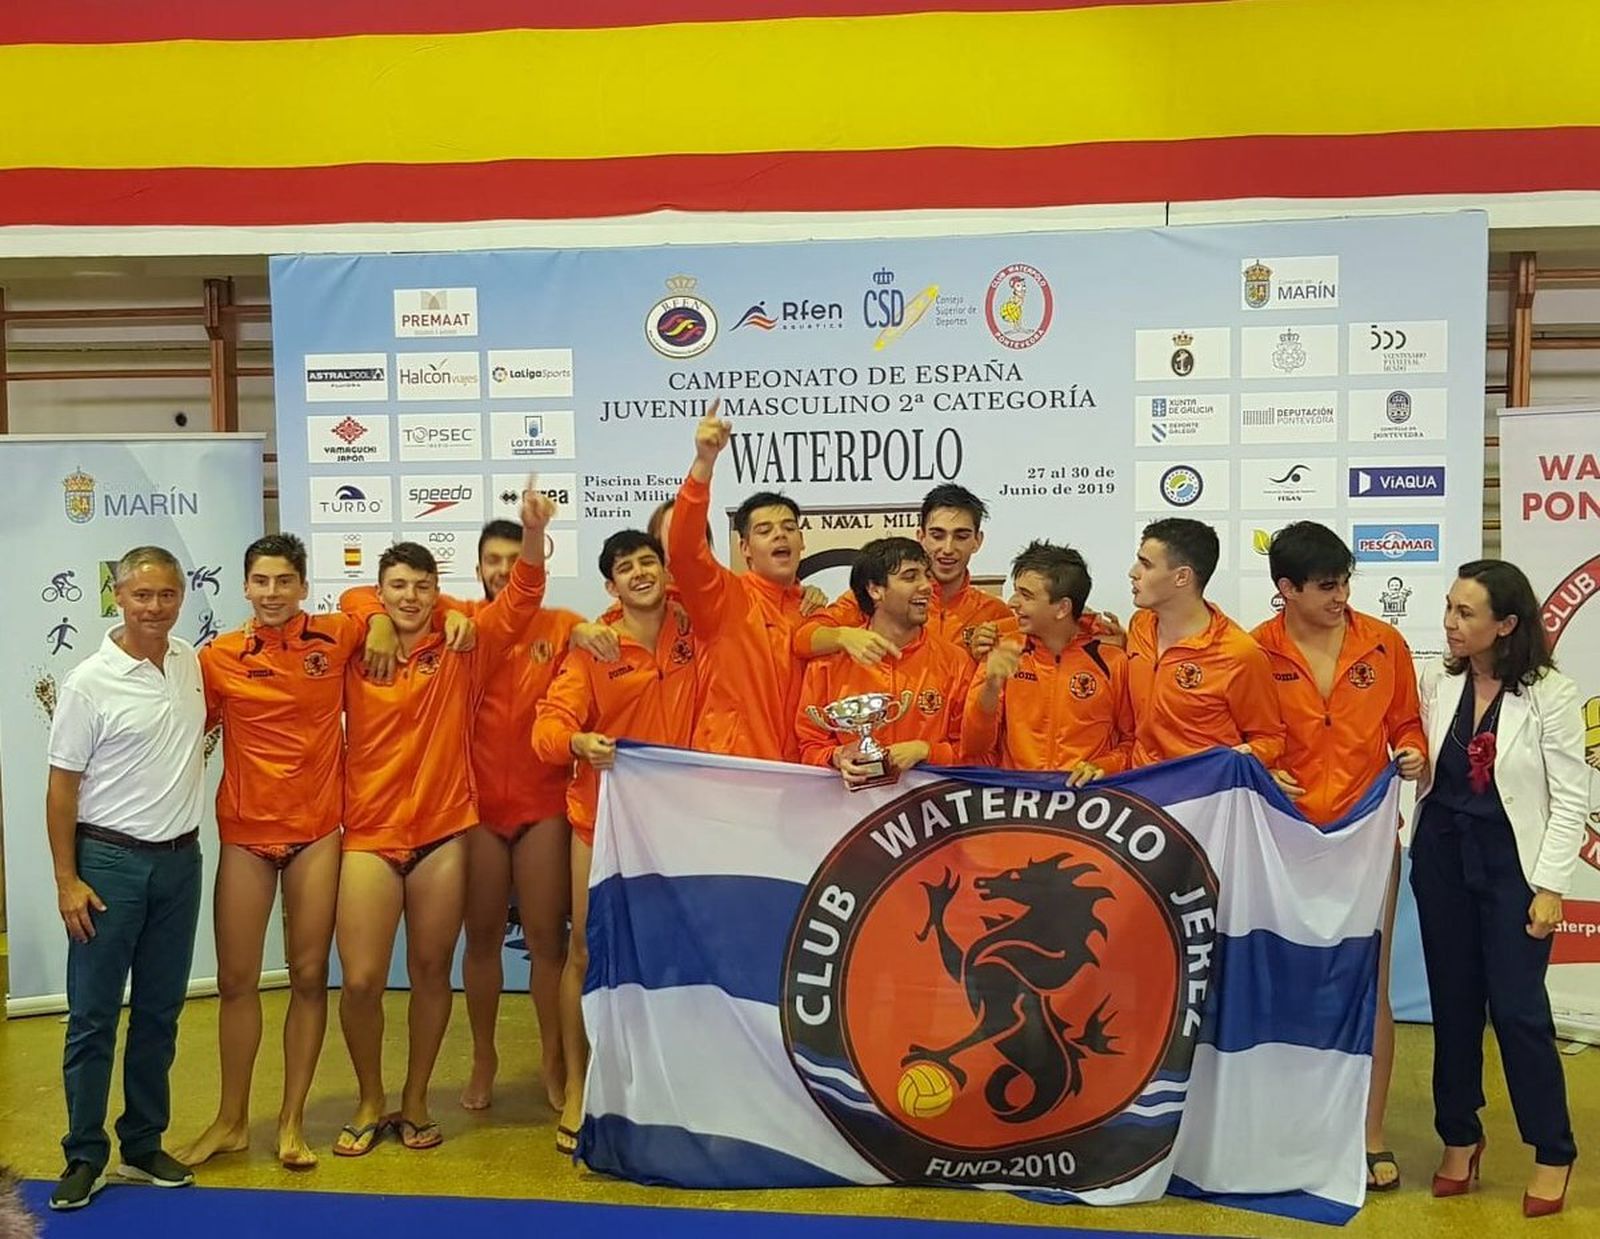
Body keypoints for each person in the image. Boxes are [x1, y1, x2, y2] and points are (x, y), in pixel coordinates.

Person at [333, 483, 554, 1157]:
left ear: (438, 591)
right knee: (365, 979)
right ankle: (371, 1097)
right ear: (381, 590)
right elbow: (341, 603)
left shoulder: (466, 643)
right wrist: (368, 613)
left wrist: (534, 531)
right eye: (395, 587)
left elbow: (520, 598)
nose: (408, 597)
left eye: (421, 585)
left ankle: (417, 1097)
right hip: (369, 834)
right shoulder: (352, 636)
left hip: (442, 832)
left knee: (433, 972)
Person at [175, 534, 406, 1170]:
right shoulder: (216, 657)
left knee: (309, 979)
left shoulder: (335, 636)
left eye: (284, 581)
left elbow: (370, 598)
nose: (273, 593)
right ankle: (230, 1121)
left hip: (315, 834)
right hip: (246, 834)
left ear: (303, 586)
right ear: (244, 587)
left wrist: (381, 620)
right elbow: (187, 728)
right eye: (261, 582)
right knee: (235, 982)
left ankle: (291, 1121)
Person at [1250, 521, 1429, 1191]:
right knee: (1281, 981)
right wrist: (1264, 766)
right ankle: (1285, 1125)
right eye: (1326, 585)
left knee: (1367, 983)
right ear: (1286, 589)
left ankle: (1369, 1131)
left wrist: (1413, 753)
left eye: (1345, 580)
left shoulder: (1384, 642)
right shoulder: (1251, 650)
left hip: (1365, 838)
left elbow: (1406, 723)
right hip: (1280, 838)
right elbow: (1239, 739)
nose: (1341, 594)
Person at [1412, 560, 1586, 1216]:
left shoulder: (1551, 693)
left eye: (1466, 614)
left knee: (1517, 1011)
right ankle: (1460, 1133)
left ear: (1506, 625)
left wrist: (1549, 885)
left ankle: (1553, 1147)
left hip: (1514, 869)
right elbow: (1421, 755)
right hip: (1441, 860)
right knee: (1452, 1005)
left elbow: (1572, 796)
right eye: (1450, 608)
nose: (1451, 624)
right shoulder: (1437, 676)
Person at [46, 547, 206, 1210]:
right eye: (141, 595)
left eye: (166, 594)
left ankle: (142, 1142)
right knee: (92, 1018)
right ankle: (84, 1153)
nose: (154, 606)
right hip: (108, 864)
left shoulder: (190, 661)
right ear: (118, 596)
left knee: (160, 1014)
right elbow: (60, 788)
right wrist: (65, 879)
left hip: (181, 864)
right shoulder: (90, 680)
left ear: (180, 597)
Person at [533, 530, 699, 1156]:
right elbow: (548, 728)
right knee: (584, 951)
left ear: (665, 569)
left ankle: (665, 1083)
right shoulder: (593, 649)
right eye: (624, 568)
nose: (638, 574)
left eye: (647, 562)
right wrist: (578, 743)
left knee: (673, 957)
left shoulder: (697, 628)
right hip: (600, 822)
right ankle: (580, 1085)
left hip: (680, 821)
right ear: (610, 586)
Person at [458, 520, 582, 1113]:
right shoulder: (461, 624)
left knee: (545, 943)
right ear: (477, 568)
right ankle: (484, 1057)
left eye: (515, 558)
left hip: (543, 805)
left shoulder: (563, 627)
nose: (503, 570)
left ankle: (554, 1059)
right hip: (478, 808)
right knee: (481, 939)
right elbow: (363, 601)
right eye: (492, 560)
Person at [668, 407, 809, 760]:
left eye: (789, 528)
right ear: (745, 549)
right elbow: (685, 549)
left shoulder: (814, 610)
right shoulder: (725, 597)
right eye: (765, 531)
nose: (780, 535)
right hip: (729, 775)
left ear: (802, 542)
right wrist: (704, 463)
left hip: (798, 780)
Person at [796, 538, 970, 786]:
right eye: (911, 577)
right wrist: (836, 757)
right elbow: (809, 746)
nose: (927, 586)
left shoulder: (955, 662)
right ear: (875, 590)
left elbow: (976, 753)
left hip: (932, 816)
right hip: (851, 819)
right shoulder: (829, 663)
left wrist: (927, 750)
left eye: (926, 575)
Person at [961, 541, 1133, 780]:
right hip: (1018, 803)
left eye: (1026, 595)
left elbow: (1131, 742)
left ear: (1062, 608)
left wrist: (1105, 766)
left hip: (1086, 805)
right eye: (1016, 590)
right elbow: (973, 747)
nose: (1012, 603)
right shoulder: (1004, 652)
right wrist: (990, 687)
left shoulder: (1112, 661)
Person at [794, 483, 1013, 668]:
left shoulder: (995, 613)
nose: (947, 548)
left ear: (977, 541)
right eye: (937, 535)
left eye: (961, 536)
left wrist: (980, 662)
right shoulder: (877, 597)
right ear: (921, 536)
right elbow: (803, 640)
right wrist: (844, 637)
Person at [1124, 518, 1285, 767]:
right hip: (1143, 793)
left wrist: (1243, 760)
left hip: (1204, 797)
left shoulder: (1239, 653)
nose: (1133, 572)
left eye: (1146, 564)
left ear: (1182, 577)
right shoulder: (1140, 626)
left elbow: (1270, 738)